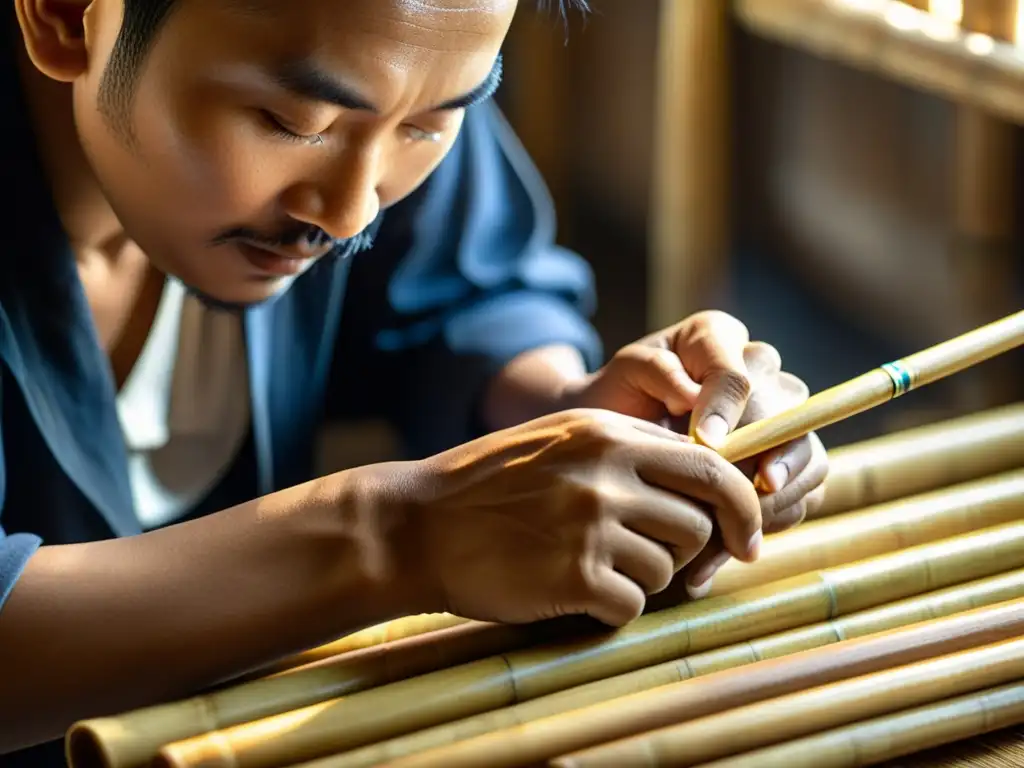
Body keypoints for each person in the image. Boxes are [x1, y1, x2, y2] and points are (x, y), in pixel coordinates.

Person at [0, 0, 828, 762]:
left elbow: (471, 291)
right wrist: (391, 533)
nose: (354, 212)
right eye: (292, 122)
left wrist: (575, 410)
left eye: (434, 125)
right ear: (69, 16)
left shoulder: (381, 76)